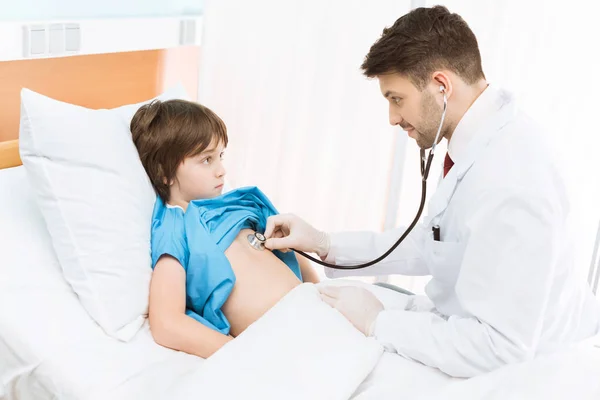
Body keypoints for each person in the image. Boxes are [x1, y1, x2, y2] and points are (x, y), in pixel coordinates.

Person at [263, 5, 600, 378]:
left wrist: (379, 322)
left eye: (396, 98)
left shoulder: (511, 178)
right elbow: (436, 244)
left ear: (441, 86)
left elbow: (500, 348)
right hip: (467, 334)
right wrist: (324, 242)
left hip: (527, 369)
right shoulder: (475, 142)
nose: (392, 118)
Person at [131, 99, 320, 359]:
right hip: (283, 339)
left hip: (316, 313)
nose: (221, 171)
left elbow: (293, 257)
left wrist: (322, 296)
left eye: (220, 156)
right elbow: (166, 324)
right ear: (165, 172)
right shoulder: (176, 226)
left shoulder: (237, 205)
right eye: (206, 160)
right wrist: (241, 356)